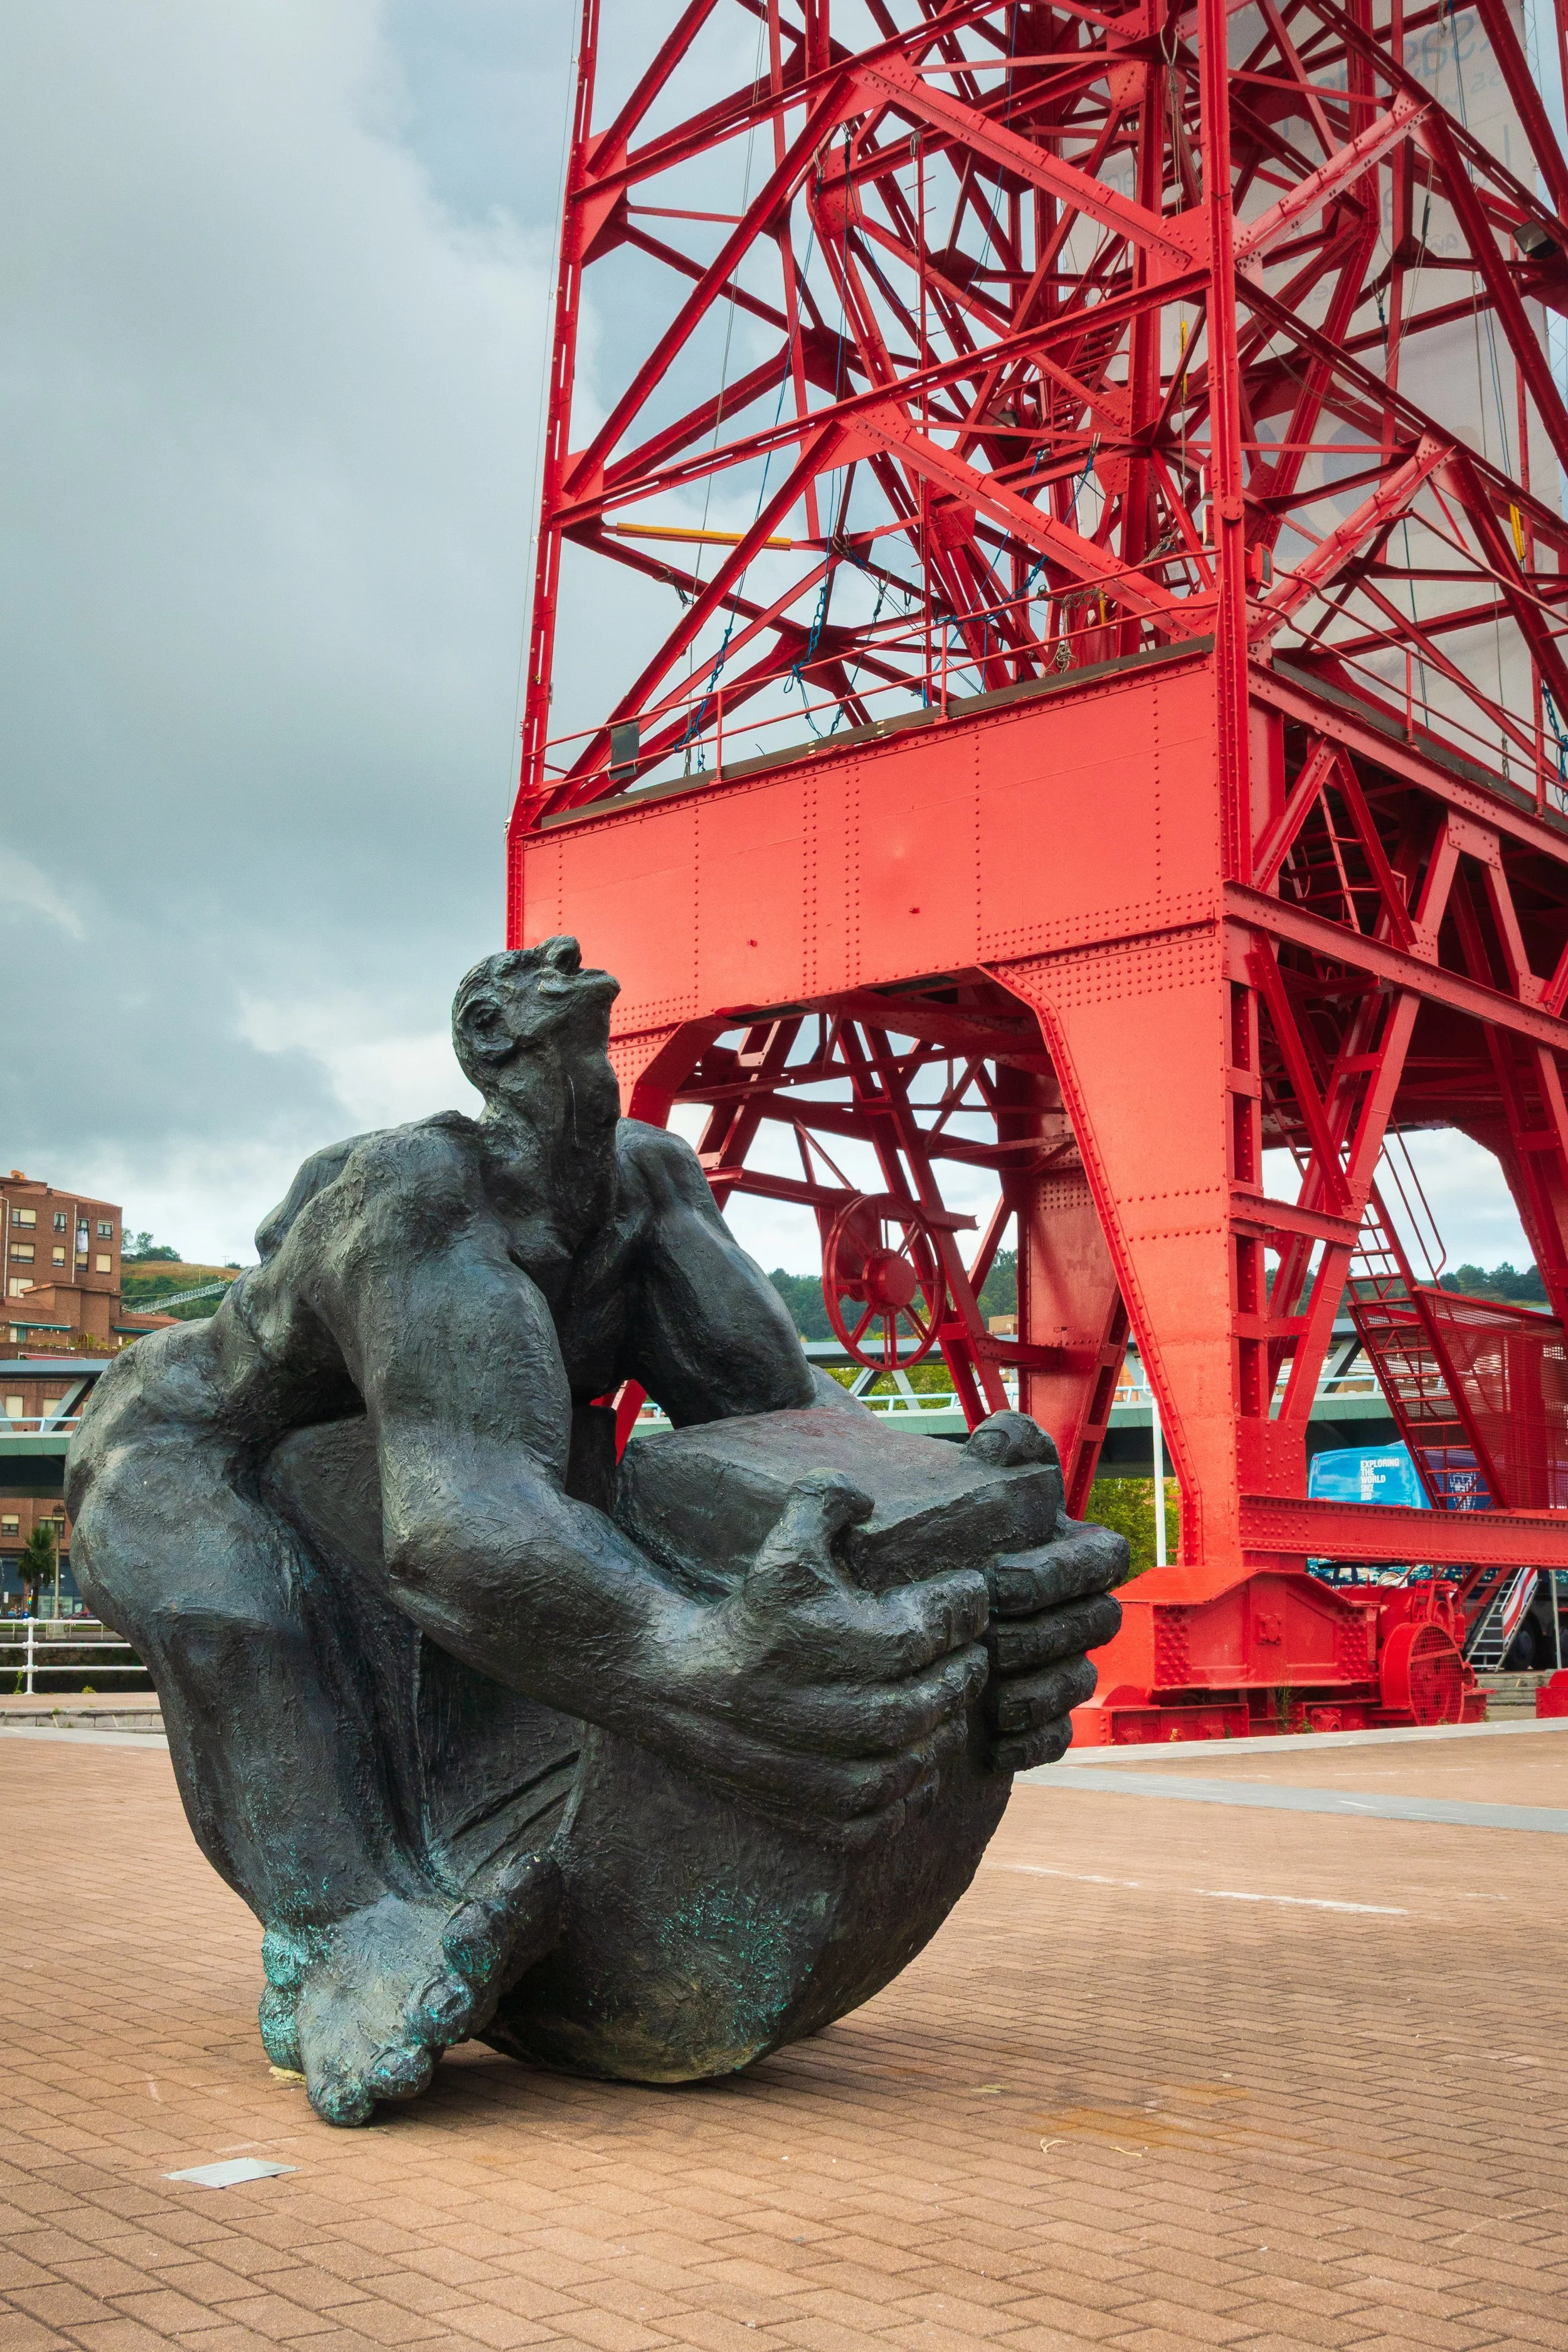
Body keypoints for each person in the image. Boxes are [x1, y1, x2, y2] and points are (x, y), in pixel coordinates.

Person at [67, 938, 1121, 2124]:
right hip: (181, 1454)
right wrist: (700, 1664)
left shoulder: (649, 1183)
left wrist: (960, 1519)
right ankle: (340, 1934)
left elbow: (778, 1412)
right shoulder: (417, 1196)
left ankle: (467, 1881)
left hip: (394, 1461)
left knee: (549, 1501)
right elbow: (456, 1528)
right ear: (484, 1037)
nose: (567, 953)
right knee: (240, 1608)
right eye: (528, 968)